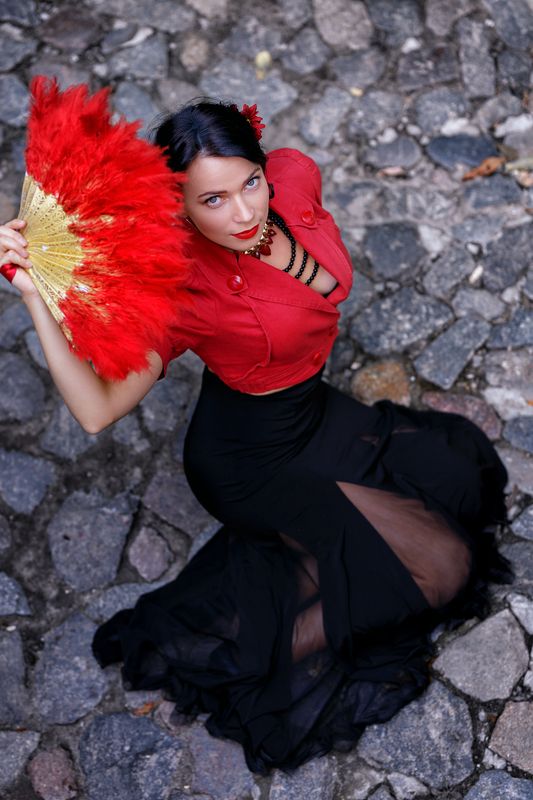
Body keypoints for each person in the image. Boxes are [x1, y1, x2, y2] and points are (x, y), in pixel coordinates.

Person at [0, 99, 512, 775]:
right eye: (213, 200)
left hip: (313, 410)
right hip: (252, 459)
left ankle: (328, 550)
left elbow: (313, 263)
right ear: (180, 207)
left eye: (249, 182)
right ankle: (265, 641)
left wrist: (258, 198)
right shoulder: (180, 289)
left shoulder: (293, 176)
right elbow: (97, 411)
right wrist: (34, 298)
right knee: (441, 569)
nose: (244, 212)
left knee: (451, 473)